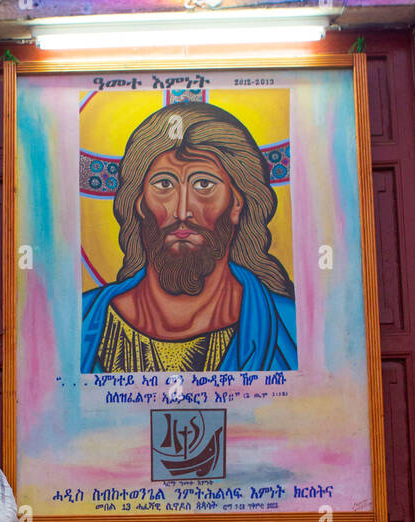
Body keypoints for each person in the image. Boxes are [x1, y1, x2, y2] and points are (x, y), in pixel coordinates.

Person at [82, 103, 297, 374]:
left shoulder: (291, 328)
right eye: (164, 185)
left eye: (204, 185)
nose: (182, 211)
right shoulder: (81, 323)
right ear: (139, 202)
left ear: (237, 203)